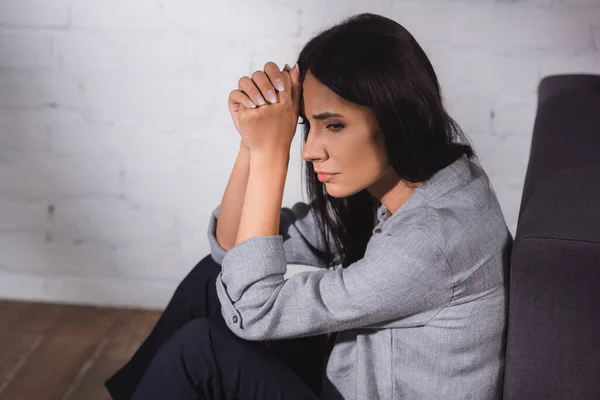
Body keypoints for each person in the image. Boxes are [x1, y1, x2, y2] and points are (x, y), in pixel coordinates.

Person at [104, 12, 513, 400]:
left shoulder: (429, 242)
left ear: (398, 116)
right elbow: (230, 248)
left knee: (202, 351)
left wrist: (271, 154)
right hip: (345, 373)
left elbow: (254, 311)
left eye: (334, 125)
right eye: (307, 125)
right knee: (209, 280)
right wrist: (253, 141)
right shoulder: (420, 182)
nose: (311, 150)